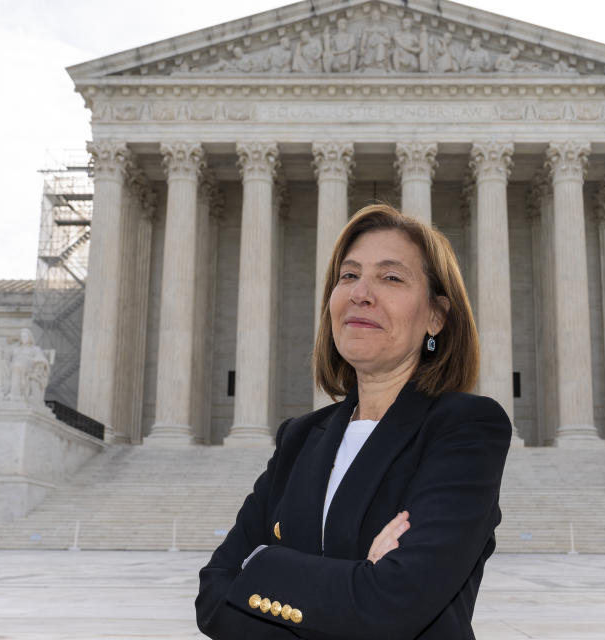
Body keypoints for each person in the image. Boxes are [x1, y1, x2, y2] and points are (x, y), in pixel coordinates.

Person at [196, 204, 512, 639]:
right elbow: (212, 598)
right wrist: (357, 578)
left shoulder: (465, 428)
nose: (360, 293)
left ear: (436, 315)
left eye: (391, 277)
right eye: (348, 276)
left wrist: (260, 566)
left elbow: (393, 606)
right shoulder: (300, 436)